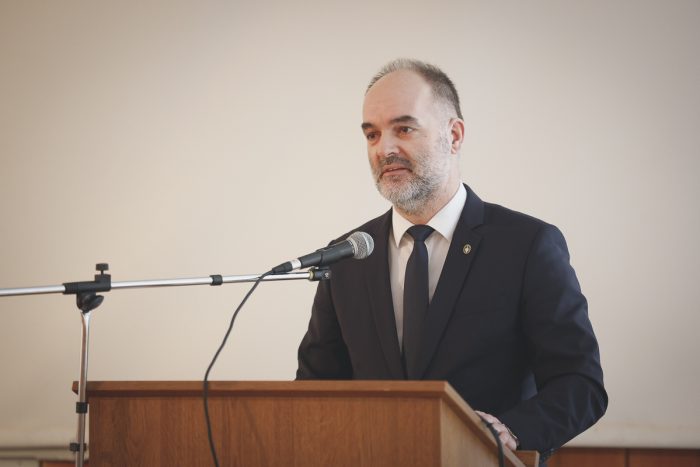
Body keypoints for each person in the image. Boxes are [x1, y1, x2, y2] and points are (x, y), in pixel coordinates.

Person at [296, 58, 607, 462]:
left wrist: (512, 429)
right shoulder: (347, 255)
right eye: (372, 134)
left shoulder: (527, 245)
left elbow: (580, 384)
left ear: (454, 135)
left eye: (404, 129)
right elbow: (315, 389)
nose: (384, 149)